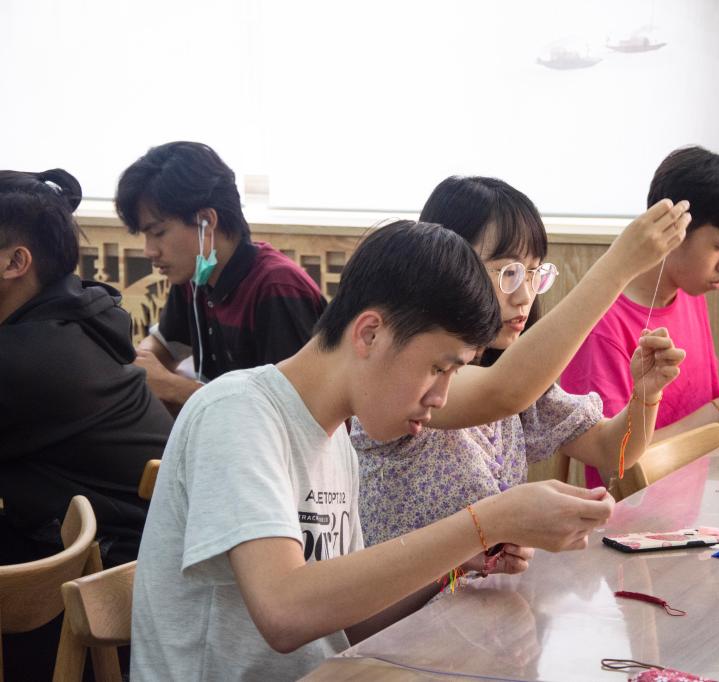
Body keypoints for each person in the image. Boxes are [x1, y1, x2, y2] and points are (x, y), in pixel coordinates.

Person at [131, 221, 618, 682]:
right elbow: (284, 612)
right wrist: (485, 521)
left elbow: (346, 624)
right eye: (438, 368)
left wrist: (458, 561)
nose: (441, 397)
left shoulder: (336, 442)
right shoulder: (237, 412)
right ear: (369, 333)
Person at [353, 176, 688, 545]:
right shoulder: (409, 372)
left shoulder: (519, 382)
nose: (525, 296)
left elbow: (613, 453)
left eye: (533, 273)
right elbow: (501, 392)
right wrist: (619, 266)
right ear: (448, 266)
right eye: (508, 272)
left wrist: (645, 395)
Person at [561, 146, 719, 488]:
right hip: (633, 513)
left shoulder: (687, 297)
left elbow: (695, 413)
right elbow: (616, 465)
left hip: (699, 498)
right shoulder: (603, 327)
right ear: (673, 231)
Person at [0, 168, 172, 680]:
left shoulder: (29, 359)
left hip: (113, 607)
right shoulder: (71, 322)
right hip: (117, 572)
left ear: (15, 262)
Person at [115, 141, 326, 411]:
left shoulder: (277, 287)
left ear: (206, 220)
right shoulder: (195, 276)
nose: (149, 251)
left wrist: (172, 386)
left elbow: (291, 411)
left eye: (158, 233)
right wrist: (145, 362)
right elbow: (166, 345)